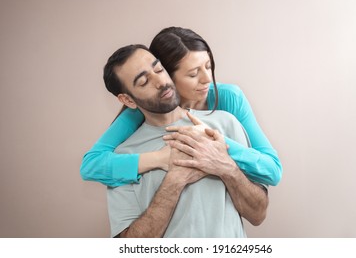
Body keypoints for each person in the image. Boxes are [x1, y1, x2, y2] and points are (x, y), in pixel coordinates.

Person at [80, 27, 282, 187]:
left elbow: (272, 171)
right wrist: (159, 158)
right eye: (193, 74)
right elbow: (91, 165)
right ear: (168, 75)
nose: (207, 79)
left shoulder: (229, 98)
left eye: (208, 66)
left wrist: (217, 144)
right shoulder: (141, 110)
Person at [104, 44, 268, 237]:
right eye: (144, 81)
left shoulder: (224, 123)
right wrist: (174, 181)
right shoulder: (124, 158)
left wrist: (225, 167)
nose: (160, 81)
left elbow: (258, 214)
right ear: (128, 100)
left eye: (158, 69)